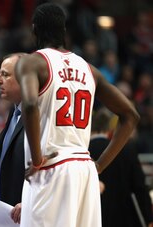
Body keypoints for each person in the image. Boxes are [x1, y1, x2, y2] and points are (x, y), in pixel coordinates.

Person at [15, 3, 140, 227]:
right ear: (64, 31)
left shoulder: (31, 62)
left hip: (51, 167)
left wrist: (36, 159)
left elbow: (30, 105)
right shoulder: (89, 68)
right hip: (85, 170)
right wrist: (99, 166)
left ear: (34, 29)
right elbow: (130, 115)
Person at [89, 108, 153, 227]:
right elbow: (140, 187)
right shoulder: (126, 149)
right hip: (124, 219)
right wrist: (148, 217)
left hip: (93, 218)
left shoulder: (82, 152)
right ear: (111, 129)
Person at [0, 53, 26, 224]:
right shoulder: (14, 112)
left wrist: (30, 201)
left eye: (5, 74)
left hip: (26, 215)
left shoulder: (42, 116)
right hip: (5, 215)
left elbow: (52, 168)